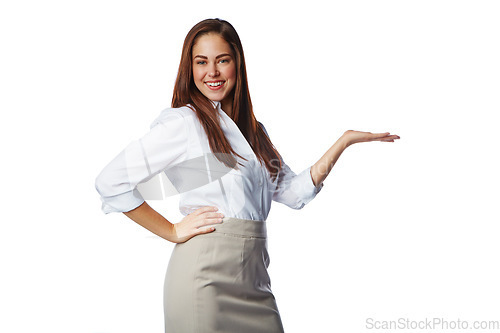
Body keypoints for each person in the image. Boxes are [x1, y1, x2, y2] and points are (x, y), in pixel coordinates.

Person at [95, 18, 400, 333]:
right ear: (190, 68)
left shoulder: (253, 132)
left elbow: (295, 194)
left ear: (237, 64)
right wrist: (172, 230)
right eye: (201, 62)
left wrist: (344, 141)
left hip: (255, 275)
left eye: (222, 60)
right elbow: (111, 182)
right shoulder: (185, 123)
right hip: (203, 276)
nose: (212, 72)